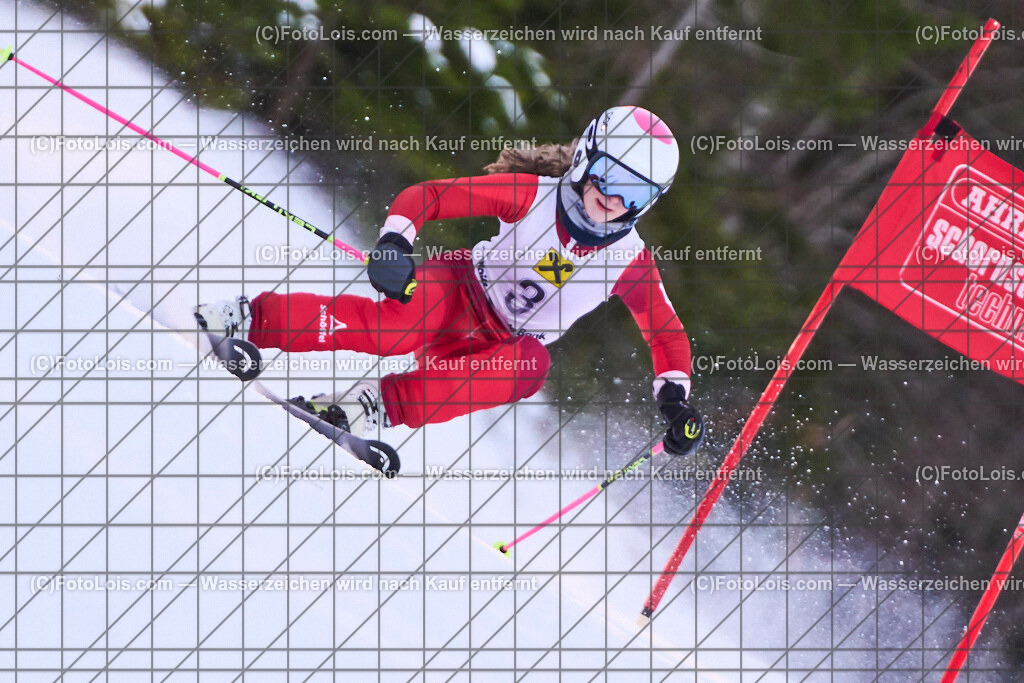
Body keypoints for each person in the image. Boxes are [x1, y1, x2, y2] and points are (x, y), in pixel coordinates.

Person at [195, 106, 704, 455]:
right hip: (459, 289)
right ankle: (246, 319)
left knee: (533, 365)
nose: (615, 200)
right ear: (588, 157)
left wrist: (674, 400)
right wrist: (395, 242)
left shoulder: (628, 260)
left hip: (496, 346)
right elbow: (430, 196)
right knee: (390, 332)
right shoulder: (533, 196)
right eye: (612, 177)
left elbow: (667, 334)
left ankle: (365, 408)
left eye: (636, 194)